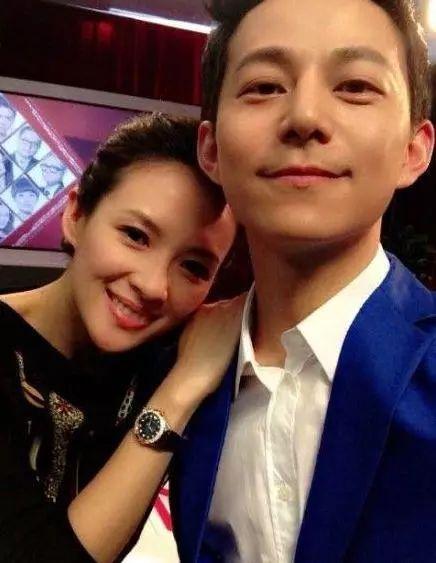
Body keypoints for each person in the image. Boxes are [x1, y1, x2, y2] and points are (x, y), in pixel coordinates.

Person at [169, 1, 436, 562]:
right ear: (211, 148)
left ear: (414, 150)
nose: (305, 116)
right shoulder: (170, 368)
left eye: (355, 86)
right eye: (264, 87)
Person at [0, 112, 241, 562]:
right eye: (135, 235)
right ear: (75, 214)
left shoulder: (160, 358)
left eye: (193, 267)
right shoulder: (181, 375)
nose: (154, 286)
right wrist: (179, 393)